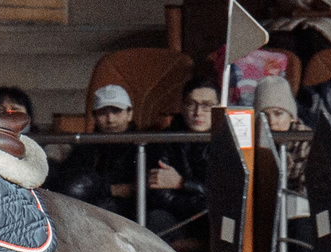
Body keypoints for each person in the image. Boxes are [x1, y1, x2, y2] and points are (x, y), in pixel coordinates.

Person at [48, 82, 140, 216]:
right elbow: (70, 185)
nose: (110, 119)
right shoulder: (86, 146)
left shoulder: (143, 146)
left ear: (130, 114)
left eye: (116, 111)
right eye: (103, 112)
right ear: (94, 116)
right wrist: (111, 189)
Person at [142, 82, 217, 242]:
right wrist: (200, 199)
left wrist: (182, 183)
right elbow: (160, 195)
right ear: (182, 107)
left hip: (209, 216)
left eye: (207, 106)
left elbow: (224, 195)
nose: (198, 113)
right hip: (177, 215)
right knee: (156, 219)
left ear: (219, 108)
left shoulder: (227, 141)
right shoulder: (165, 139)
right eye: (192, 104)